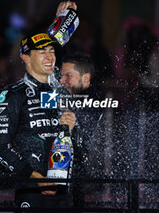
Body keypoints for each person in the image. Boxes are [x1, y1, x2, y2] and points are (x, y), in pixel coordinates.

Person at [0, 1, 78, 211]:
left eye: (51, 51)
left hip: (65, 188)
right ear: (25, 58)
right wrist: (35, 177)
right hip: (31, 189)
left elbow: (80, 146)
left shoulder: (61, 92)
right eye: (41, 52)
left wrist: (72, 129)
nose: (49, 57)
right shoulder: (12, 95)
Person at [60, 53, 103, 207]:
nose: (61, 81)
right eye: (61, 75)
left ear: (85, 78)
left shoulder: (94, 100)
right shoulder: (69, 96)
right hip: (66, 172)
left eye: (68, 76)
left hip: (83, 176)